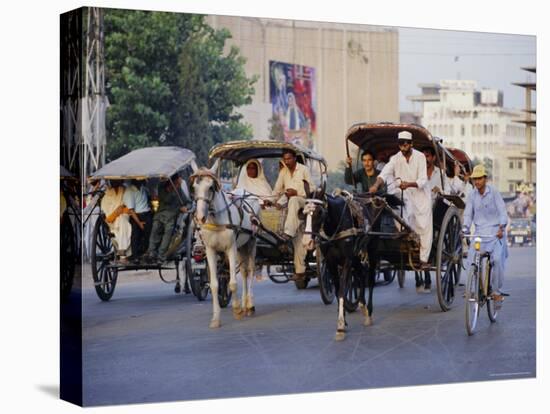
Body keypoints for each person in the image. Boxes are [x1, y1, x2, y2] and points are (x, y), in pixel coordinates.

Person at [368, 131, 432, 269]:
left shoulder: (420, 157)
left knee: (424, 225)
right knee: (400, 213)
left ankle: (423, 259)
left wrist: (408, 184)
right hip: (403, 194)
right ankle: (406, 236)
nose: (403, 146)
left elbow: (423, 180)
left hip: (420, 195)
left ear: (411, 144)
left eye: (405, 143)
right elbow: (384, 173)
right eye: (400, 143)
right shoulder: (395, 158)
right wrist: (375, 185)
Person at [462, 164, 509, 301]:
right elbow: (468, 214)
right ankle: (471, 290)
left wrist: (501, 227)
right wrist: (465, 228)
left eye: (479, 178)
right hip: (479, 234)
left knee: (497, 260)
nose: (476, 181)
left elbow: (502, 211)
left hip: (495, 233)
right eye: (474, 179)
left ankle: (496, 291)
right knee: (471, 258)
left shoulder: (494, 192)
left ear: (485, 179)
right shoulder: (472, 195)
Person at [273, 148, 314, 281]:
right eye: (285, 159)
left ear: (295, 158)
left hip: (304, 202)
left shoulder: (303, 170)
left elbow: (312, 189)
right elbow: (277, 190)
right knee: (298, 238)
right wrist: (271, 201)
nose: (287, 161)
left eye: (289, 158)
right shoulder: (284, 171)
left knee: (294, 200)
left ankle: (287, 233)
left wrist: (297, 193)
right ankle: (300, 271)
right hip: (288, 203)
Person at [145, 173, 190, 264]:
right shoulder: (161, 187)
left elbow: (187, 202)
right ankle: (151, 252)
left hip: (171, 217)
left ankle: (161, 255)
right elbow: (166, 199)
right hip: (160, 215)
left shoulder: (179, 190)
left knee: (168, 234)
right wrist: (174, 189)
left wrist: (186, 208)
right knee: (155, 230)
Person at [101, 179, 132, 261]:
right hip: (112, 221)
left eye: (117, 180)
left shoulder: (125, 190)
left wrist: (121, 210)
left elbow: (129, 206)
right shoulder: (106, 196)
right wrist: (116, 213)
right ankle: (122, 252)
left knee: (122, 220)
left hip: (124, 217)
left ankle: (122, 251)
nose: (116, 182)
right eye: (113, 180)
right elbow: (107, 216)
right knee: (120, 221)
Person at [122, 180, 152, 263]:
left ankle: (146, 253)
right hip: (135, 215)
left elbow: (149, 199)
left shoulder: (143, 188)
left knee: (149, 233)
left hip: (146, 214)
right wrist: (139, 223)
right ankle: (135, 256)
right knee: (135, 234)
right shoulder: (129, 191)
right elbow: (131, 211)